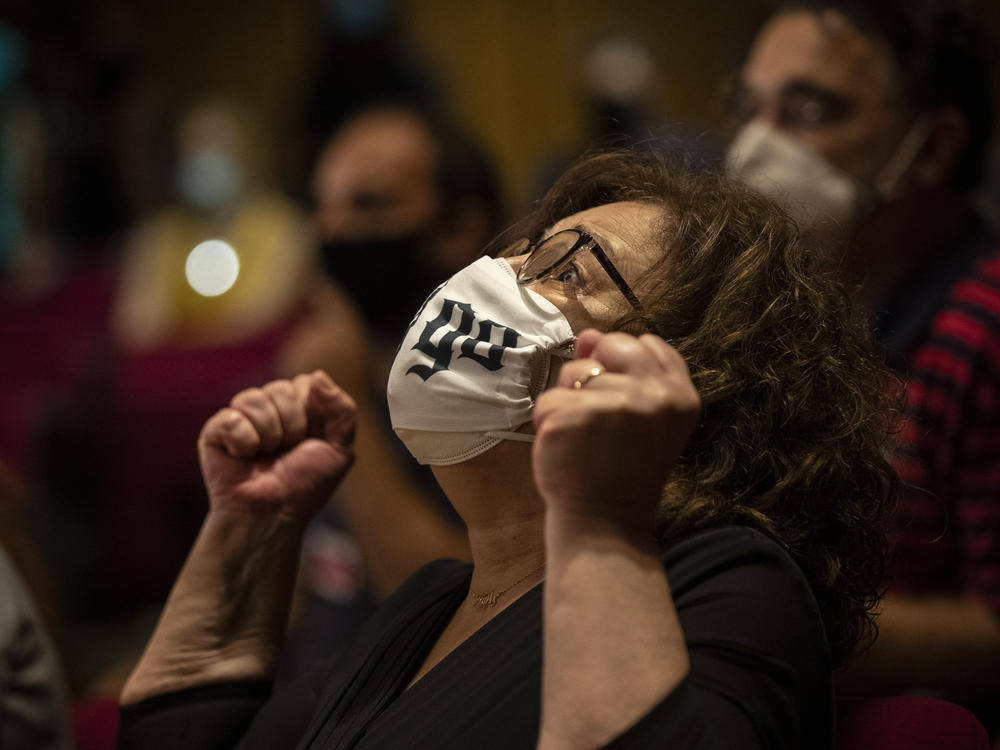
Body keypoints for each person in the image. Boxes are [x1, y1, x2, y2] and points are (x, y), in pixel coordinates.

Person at [115, 150, 897, 748]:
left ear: (698, 373)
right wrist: (248, 529)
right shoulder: (433, 602)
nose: (494, 277)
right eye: (519, 254)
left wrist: (595, 523)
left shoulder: (729, 580)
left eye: (566, 268)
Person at [724, 0, 1000, 723]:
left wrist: (750, 618)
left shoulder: (985, 327)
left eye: (809, 111)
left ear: (934, 146)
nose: (755, 147)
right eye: (748, 108)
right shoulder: (784, 314)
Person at [275, 103, 501, 674]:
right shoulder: (322, 358)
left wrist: (344, 416)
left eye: (368, 205)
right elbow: (287, 606)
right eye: (322, 206)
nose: (332, 232)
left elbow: (462, 617)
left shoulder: (500, 395)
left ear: (460, 229)